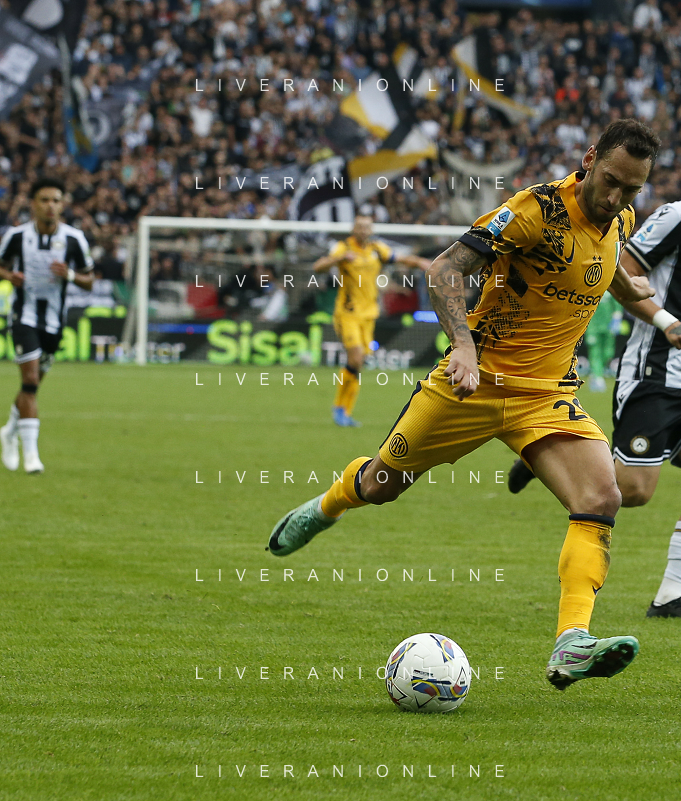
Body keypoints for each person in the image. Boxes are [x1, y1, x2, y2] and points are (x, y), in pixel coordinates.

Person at [265, 119, 661, 691]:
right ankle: (328, 506)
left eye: (632, 188)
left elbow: (606, 258)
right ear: (589, 159)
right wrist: (465, 348)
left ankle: (571, 643)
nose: (618, 196)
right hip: (472, 382)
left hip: (547, 393)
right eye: (612, 181)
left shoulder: (620, 217)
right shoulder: (535, 211)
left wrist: (629, 290)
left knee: (601, 497)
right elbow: (445, 268)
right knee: (381, 485)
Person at [510, 124, 681, 621]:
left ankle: (668, 600)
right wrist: (667, 322)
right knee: (632, 491)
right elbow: (621, 270)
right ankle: (550, 454)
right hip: (651, 371)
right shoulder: (676, 218)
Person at [0, 178, 95, 473]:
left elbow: (90, 280)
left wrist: (70, 275)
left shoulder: (74, 239)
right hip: (23, 316)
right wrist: (9, 276)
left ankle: (9, 431)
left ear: (62, 204)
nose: (50, 206)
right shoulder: (16, 236)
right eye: (44, 200)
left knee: (32, 386)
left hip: (55, 322)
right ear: (33, 204)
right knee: (29, 380)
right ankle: (31, 456)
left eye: (55, 200)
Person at [312, 212, 431, 427]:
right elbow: (318, 267)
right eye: (360, 226)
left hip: (369, 314)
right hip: (347, 313)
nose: (363, 230)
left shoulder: (377, 249)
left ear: (371, 230)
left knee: (357, 363)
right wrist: (339, 259)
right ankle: (339, 408)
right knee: (356, 358)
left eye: (367, 227)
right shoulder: (343, 248)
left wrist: (421, 262)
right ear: (353, 229)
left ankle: (344, 410)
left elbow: (400, 259)